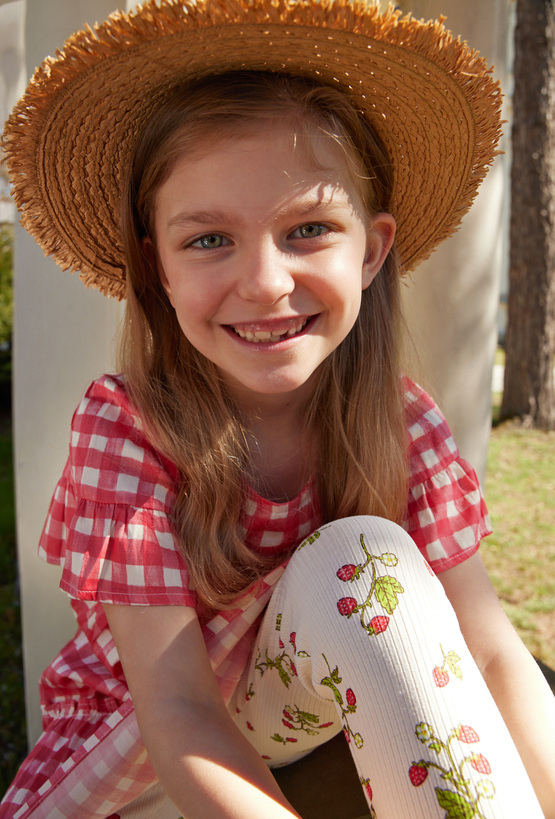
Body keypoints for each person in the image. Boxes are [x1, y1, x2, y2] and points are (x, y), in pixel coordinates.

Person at [2, 1, 554, 817]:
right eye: (208, 239)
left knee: (363, 559)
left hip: (295, 712)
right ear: (156, 268)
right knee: (357, 559)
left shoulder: (400, 424)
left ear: (370, 250)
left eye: (308, 228)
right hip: (144, 764)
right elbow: (177, 705)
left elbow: (493, 653)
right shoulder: (130, 428)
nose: (264, 283)